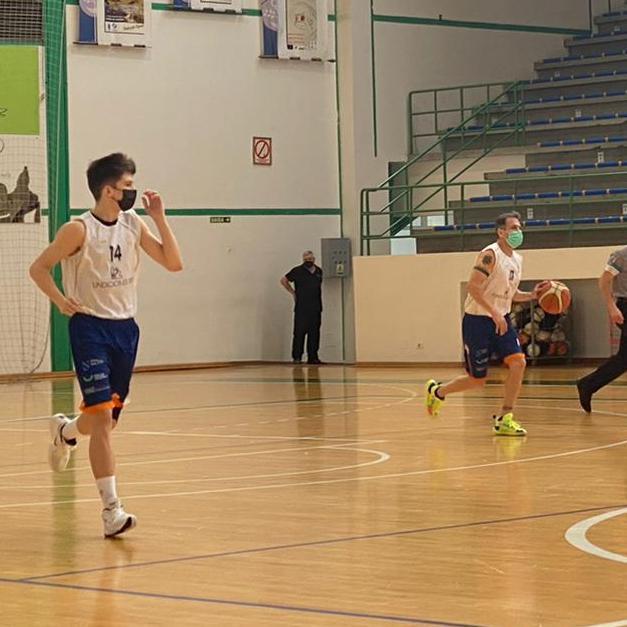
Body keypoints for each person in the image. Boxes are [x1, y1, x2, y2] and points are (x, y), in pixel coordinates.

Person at [29, 152, 183, 537]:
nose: (133, 192)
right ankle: (111, 511)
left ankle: (65, 432)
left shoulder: (132, 224)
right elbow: (39, 268)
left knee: (104, 422)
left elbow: (173, 262)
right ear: (108, 189)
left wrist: (160, 218)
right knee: (100, 421)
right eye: (128, 186)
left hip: (125, 330)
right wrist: (61, 300)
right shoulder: (77, 230)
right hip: (90, 328)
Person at [424, 211, 547, 436]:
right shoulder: (490, 254)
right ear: (501, 232)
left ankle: (505, 417)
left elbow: (509, 294)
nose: (518, 232)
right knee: (477, 380)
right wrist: (494, 314)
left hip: (502, 320)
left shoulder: (517, 260)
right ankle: (438, 391)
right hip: (477, 321)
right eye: (513, 228)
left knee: (519, 363)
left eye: (519, 228)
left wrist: (531, 296)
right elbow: (473, 287)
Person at [576, 247, 627, 413]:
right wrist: (612, 307)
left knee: (624, 359)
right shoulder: (621, 255)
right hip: (624, 306)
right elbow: (604, 281)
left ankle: (588, 384)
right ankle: (588, 384)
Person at [281, 251, 323, 364]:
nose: (308, 261)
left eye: (310, 259)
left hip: (316, 307)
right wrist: (292, 292)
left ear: (314, 259)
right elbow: (283, 280)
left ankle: (313, 357)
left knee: (314, 333)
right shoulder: (297, 271)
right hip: (302, 307)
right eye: (306, 259)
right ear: (303, 260)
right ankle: (297, 357)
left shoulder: (319, 271)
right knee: (299, 333)